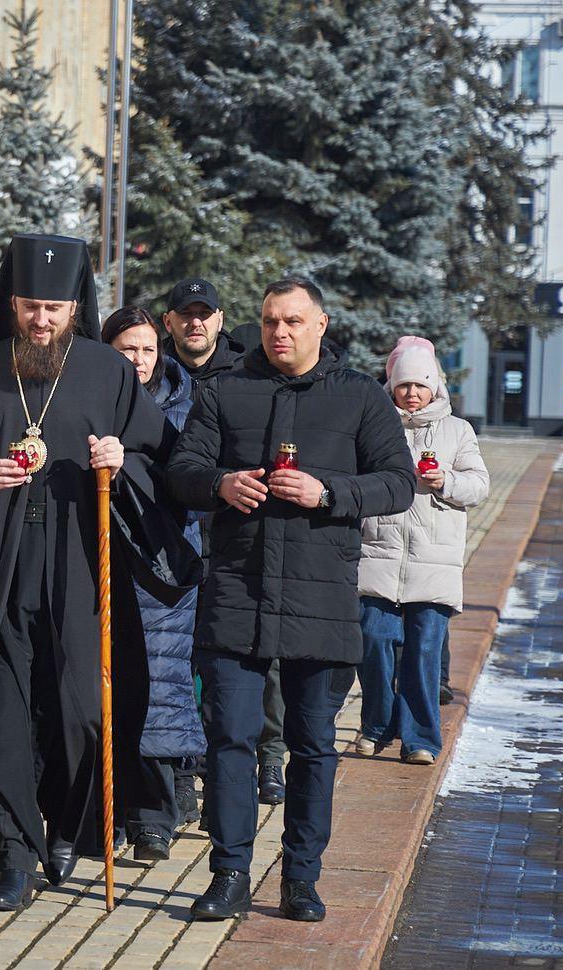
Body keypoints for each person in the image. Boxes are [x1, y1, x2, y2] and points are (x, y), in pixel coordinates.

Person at [0, 235, 199, 913]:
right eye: (30, 307)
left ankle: (68, 826)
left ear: (74, 307)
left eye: (54, 307)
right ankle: (13, 856)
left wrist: (122, 460)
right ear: (12, 305)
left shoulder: (109, 373)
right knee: (1, 713)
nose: (41, 320)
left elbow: (164, 462)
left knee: (82, 709)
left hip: (82, 560)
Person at [167, 276, 416, 923]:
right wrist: (220, 484)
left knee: (311, 746)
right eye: (271, 320)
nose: (280, 332)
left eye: (294, 321)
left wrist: (329, 493)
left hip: (321, 597)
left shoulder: (359, 396)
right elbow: (182, 471)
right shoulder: (225, 390)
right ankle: (228, 875)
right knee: (230, 741)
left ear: (321, 325)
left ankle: (300, 879)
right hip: (236, 595)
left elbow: (398, 483)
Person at [164, 280, 285, 807]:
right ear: (169, 322)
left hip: (238, 537)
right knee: (184, 658)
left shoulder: (244, 378)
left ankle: (270, 754)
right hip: (171, 539)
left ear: (220, 319)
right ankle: (186, 765)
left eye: (205, 314)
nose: (195, 323)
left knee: (261, 654)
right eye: (185, 315)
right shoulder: (151, 374)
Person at [103, 306, 206, 863]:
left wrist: (130, 466)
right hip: (101, 564)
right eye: (126, 350)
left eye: (146, 349)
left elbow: (187, 478)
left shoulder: (187, 404)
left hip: (165, 568)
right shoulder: (93, 399)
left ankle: (154, 818)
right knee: (106, 695)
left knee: (161, 695)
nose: (139, 360)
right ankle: (107, 810)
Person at [354, 337, 487, 764]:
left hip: (434, 563)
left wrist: (445, 481)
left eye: (420, 385)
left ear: (435, 388)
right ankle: (377, 723)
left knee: (424, 652)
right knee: (373, 640)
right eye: (404, 385)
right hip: (379, 556)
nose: (412, 394)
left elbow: (479, 485)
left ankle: (421, 739)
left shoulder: (457, 430)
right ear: (391, 386)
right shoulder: (375, 425)